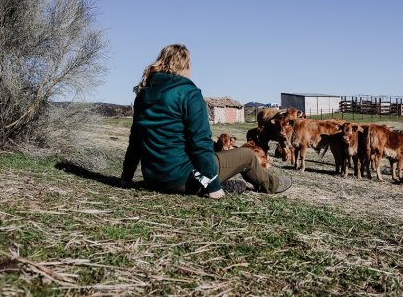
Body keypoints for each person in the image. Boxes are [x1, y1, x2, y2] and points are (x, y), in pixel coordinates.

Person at [120, 44, 292, 198]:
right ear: (185, 65)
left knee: (211, 159)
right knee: (247, 155)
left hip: (153, 179)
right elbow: (199, 142)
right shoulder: (188, 93)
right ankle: (270, 184)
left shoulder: (143, 95)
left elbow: (135, 141)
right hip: (184, 179)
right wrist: (214, 187)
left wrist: (126, 178)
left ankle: (212, 185)